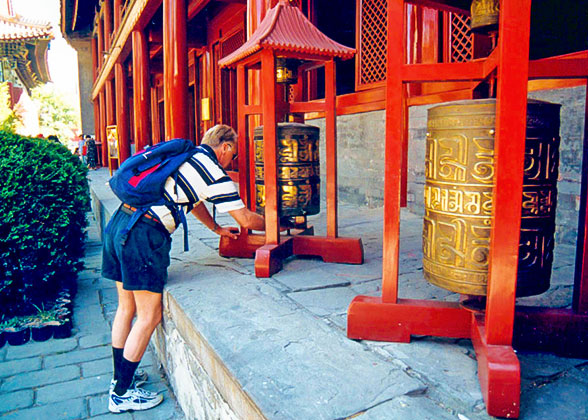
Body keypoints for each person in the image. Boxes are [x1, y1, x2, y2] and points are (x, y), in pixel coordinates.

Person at [102, 124, 266, 413]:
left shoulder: (186, 157)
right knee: (148, 316)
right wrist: (282, 222)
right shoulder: (213, 171)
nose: (232, 160)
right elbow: (247, 220)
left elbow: (191, 201)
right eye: (234, 154)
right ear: (225, 147)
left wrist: (215, 228)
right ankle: (121, 394)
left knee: (126, 308)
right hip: (142, 235)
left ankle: (120, 377)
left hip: (119, 224)